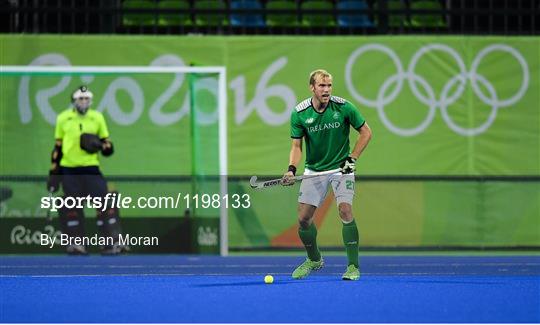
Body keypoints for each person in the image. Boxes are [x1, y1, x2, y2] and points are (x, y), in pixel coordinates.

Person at [282, 69, 372, 280]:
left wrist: (352, 159)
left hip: (343, 168)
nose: (326, 90)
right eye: (322, 86)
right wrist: (291, 169)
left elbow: (367, 132)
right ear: (312, 87)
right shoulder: (300, 113)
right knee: (303, 219)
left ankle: (353, 267)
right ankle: (314, 260)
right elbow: (296, 146)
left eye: (329, 85)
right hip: (314, 171)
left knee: (345, 210)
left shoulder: (344, 107)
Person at [47, 85, 126, 255]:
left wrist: (103, 146)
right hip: (69, 169)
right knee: (73, 205)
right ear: (74, 101)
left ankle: (110, 243)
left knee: (103, 203)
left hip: (91, 167)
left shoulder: (97, 118)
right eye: (80, 99)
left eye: (86, 99)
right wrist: (54, 172)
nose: (83, 102)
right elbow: (58, 148)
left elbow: (107, 144)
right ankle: (77, 244)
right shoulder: (63, 118)